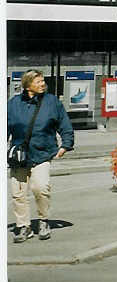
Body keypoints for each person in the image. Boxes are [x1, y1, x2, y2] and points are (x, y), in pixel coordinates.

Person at [7, 70, 74, 243]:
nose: (42, 84)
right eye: (38, 82)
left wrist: (66, 145)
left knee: (41, 188)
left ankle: (44, 221)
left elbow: (64, 124)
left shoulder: (52, 102)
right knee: (18, 193)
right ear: (27, 86)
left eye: (43, 81)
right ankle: (23, 226)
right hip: (19, 156)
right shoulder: (13, 103)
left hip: (42, 152)